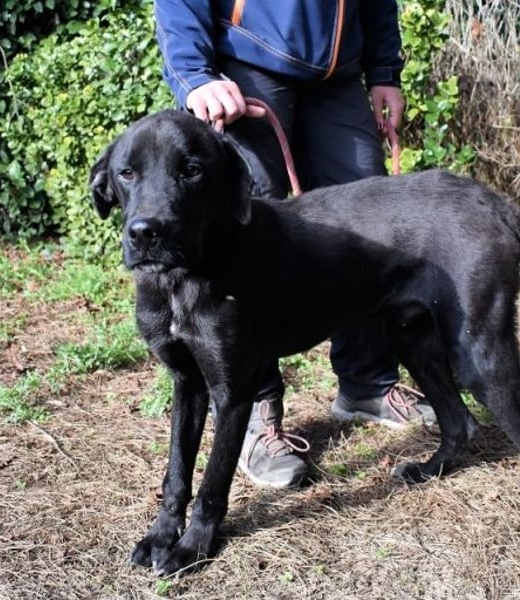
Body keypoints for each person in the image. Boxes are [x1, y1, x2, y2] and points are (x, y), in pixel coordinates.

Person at [154, 0, 436, 489]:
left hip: (340, 75)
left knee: (368, 232)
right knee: (248, 243)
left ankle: (366, 383)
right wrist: (194, 75)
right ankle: (255, 412)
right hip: (248, 66)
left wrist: (385, 71)